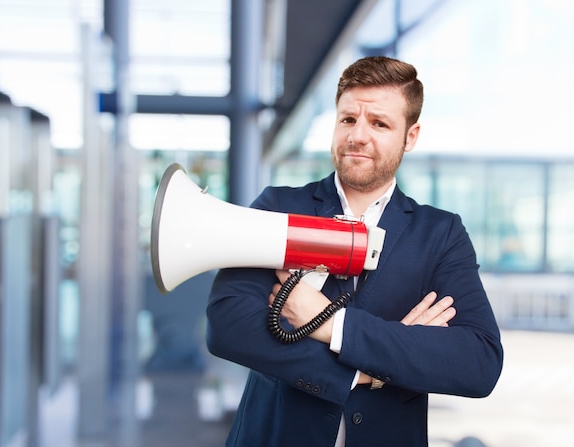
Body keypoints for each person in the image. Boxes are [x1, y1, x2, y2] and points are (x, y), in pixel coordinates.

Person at [205, 56, 503, 447]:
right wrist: (369, 369)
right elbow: (229, 325)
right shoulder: (278, 207)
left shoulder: (440, 234)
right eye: (348, 119)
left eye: (379, 123)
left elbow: (477, 362)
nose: (357, 135)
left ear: (410, 136)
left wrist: (328, 323)